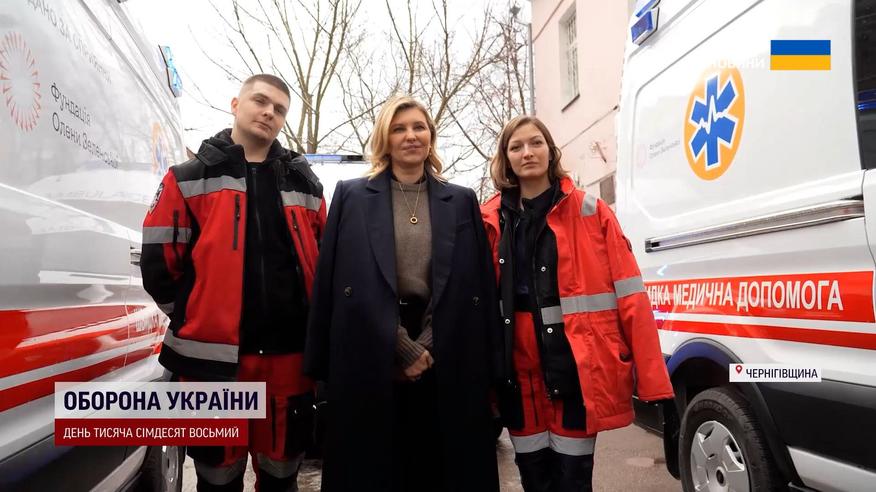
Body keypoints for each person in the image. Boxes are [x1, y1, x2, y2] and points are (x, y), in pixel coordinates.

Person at [304, 95, 501, 492]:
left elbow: (471, 284)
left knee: (440, 468)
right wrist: (402, 347)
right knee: (376, 470)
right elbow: (338, 283)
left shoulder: (461, 200)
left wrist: (426, 345)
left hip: (444, 347)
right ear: (385, 139)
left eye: (418, 127)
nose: (411, 136)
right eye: (399, 128)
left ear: (430, 136)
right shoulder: (352, 196)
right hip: (372, 346)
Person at [141, 74, 326, 491]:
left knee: (282, 477)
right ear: (235, 104)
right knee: (216, 479)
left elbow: (325, 261)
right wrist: (194, 316)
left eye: (279, 109)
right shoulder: (187, 177)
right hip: (211, 365)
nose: (269, 112)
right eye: (260, 101)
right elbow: (159, 266)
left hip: (290, 361)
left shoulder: (305, 182)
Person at [480, 116, 674, 492]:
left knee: (573, 479)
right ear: (506, 158)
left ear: (550, 151)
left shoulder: (591, 212)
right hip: (518, 379)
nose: (527, 152)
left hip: (575, 371)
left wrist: (654, 382)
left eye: (535, 143)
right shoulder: (490, 219)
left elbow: (632, 298)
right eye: (516, 147)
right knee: (534, 477)